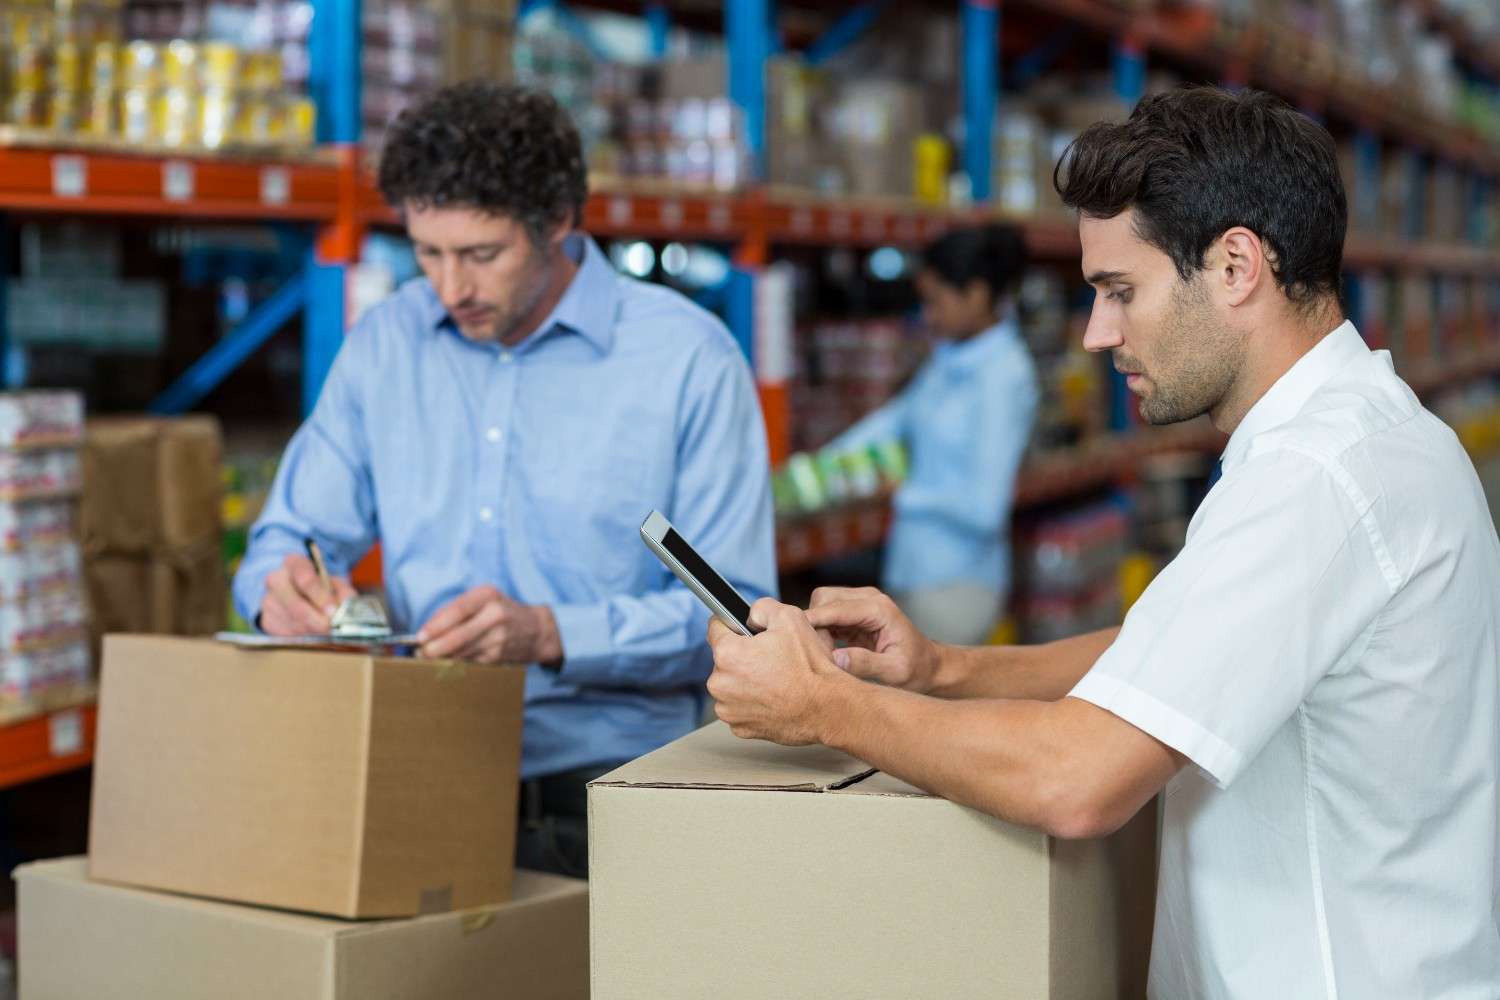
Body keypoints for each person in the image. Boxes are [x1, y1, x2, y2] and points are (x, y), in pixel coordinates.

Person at [705, 87, 1500, 997]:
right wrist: (944, 670)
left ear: (1236, 265)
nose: (1097, 334)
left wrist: (823, 707)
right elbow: (1172, 655)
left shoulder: (1313, 480)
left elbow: (1076, 780)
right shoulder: (1373, 433)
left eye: (1121, 291)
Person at [233, 81, 776, 878]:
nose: (450, 289)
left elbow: (737, 614)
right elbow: (285, 537)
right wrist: (280, 592)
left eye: (482, 255)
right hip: (418, 772)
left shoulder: (688, 361)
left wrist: (551, 634)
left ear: (557, 221)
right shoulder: (386, 345)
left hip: (612, 801)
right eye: (427, 253)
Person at [824, 224, 1038, 645]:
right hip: (912, 576)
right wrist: (817, 468)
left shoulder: (1004, 376)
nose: (928, 315)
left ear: (975, 294)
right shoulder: (948, 359)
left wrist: (902, 492)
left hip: (956, 589)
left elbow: (985, 507)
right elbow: (894, 420)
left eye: (936, 301)